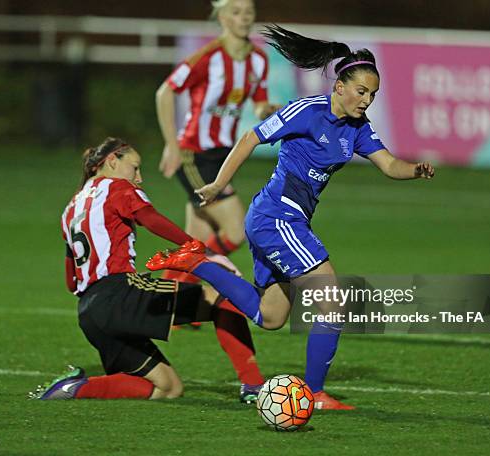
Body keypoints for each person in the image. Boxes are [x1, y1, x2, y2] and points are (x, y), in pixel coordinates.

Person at [186, 25, 435, 410]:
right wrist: (219, 184)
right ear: (339, 87)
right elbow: (252, 137)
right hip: (276, 216)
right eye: (361, 91)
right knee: (333, 303)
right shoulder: (307, 111)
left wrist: (415, 170)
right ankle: (314, 393)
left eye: (372, 94)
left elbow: (388, 166)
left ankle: (196, 262)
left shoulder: (357, 130)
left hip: (285, 220)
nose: (366, 100)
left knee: (270, 316)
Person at [29, 138, 266, 402]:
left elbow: (71, 282)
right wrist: (204, 251)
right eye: (135, 168)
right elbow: (151, 220)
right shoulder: (117, 187)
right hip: (118, 293)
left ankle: (75, 388)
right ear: (112, 161)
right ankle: (254, 387)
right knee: (224, 300)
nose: (139, 178)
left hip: (89, 313)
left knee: (168, 388)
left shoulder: (70, 209)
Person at [155, 0, 278, 398]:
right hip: (194, 153)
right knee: (235, 230)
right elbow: (165, 92)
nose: (245, 17)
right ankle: (180, 277)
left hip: (221, 157)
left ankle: (171, 301)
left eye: (249, 11)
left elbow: (258, 102)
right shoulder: (207, 58)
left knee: (197, 241)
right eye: (237, 11)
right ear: (223, 17)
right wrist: (172, 145)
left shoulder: (258, 59)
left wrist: (268, 109)